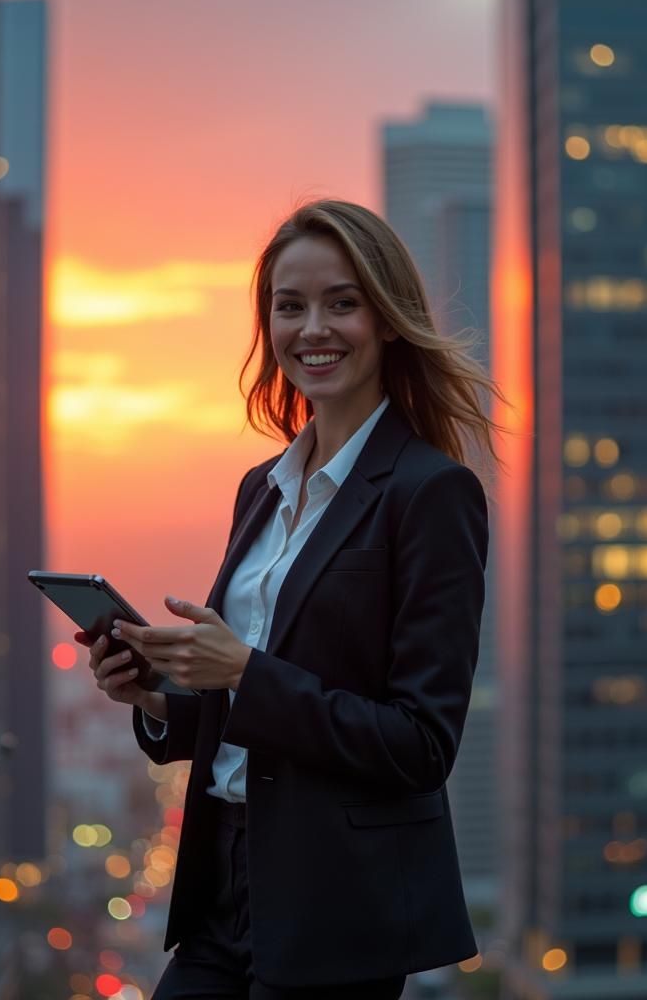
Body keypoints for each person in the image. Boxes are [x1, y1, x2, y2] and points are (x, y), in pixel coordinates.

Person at [77, 200, 502, 999]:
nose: (314, 328)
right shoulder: (261, 490)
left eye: (342, 302)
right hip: (225, 883)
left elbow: (419, 744)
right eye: (290, 305)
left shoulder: (432, 494)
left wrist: (242, 670)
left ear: (386, 320)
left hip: (340, 903)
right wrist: (161, 697)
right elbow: (254, 716)